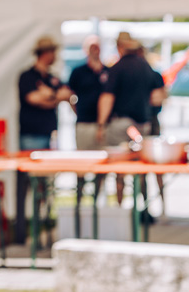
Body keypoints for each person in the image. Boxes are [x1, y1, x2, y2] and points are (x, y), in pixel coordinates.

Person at [96, 32, 166, 206]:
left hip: (122, 124)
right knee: (142, 169)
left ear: (121, 47)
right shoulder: (147, 68)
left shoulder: (117, 68)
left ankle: (121, 207)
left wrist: (101, 124)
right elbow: (158, 97)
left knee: (120, 170)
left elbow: (107, 98)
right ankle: (144, 207)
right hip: (144, 124)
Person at [15, 35, 72, 244]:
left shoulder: (52, 78)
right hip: (31, 136)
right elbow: (34, 99)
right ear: (45, 53)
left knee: (45, 187)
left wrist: (50, 96)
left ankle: (43, 226)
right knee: (29, 185)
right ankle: (24, 230)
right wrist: (54, 97)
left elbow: (66, 95)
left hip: (50, 135)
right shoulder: (27, 76)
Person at [67, 35, 109, 206]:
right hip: (84, 123)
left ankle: (96, 201)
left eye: (97, 47)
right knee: (81, 166)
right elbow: (69, 95)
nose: (95, 50)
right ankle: (79, 201)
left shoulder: (107, 71)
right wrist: (77, 112)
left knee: (101, 166)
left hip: (102, 125)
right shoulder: (78, 72)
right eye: (92, 47)